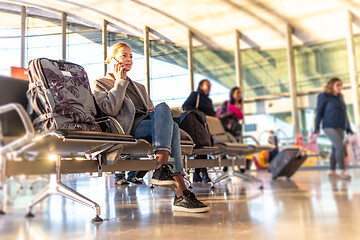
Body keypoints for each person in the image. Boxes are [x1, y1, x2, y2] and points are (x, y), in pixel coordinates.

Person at [93, 42, 209, 212]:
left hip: (147, 124)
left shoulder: (140, 87)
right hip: (127, 127)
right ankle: (178, 189)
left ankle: (165, 173)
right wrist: (119, 83)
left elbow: (152, 109)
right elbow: (110, 109)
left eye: (131, 56)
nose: (129, 59)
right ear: (112, 59)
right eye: (124, 55)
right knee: (172, 127)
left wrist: (151, 110)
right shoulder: (101, 83)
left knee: (164, 110)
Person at [314, 77, 353, 180]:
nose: (340, 87)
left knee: (335, 148)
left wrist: (348, 128)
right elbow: (319, 112)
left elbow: (345, 114)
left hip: (340, 126)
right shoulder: (324, 96)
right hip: (329, 126)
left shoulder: (340, 98)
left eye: (341, 85)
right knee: (340, 146)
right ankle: (343, 171)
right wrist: (316, 127)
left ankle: (332, 171)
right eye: (338, 85)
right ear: (332, 85)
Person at [182, 79, 215, 183]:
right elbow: (185, 106)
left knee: (204, 147)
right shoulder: (196, 95)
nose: (208, 88)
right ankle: (203, 172)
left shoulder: (208, 100)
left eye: (210, 86)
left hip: (206, 127)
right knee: (202, 147)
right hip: (197, 126)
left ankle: (197, 173)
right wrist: (198, 114)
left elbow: (212, 114)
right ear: (200, 86)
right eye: (206, 85)